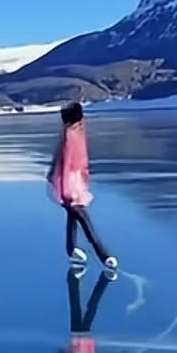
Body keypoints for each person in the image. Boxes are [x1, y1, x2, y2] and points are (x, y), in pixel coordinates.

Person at [46, 101, 118, 272]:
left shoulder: (75, 134)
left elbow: (75, 162)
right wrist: (64, 187)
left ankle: (71, 251)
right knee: (84, 220)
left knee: (73, 218)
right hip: (68, 185)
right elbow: (64, 162)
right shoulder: (70, 136)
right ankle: (104, 256)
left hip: (73, 183)